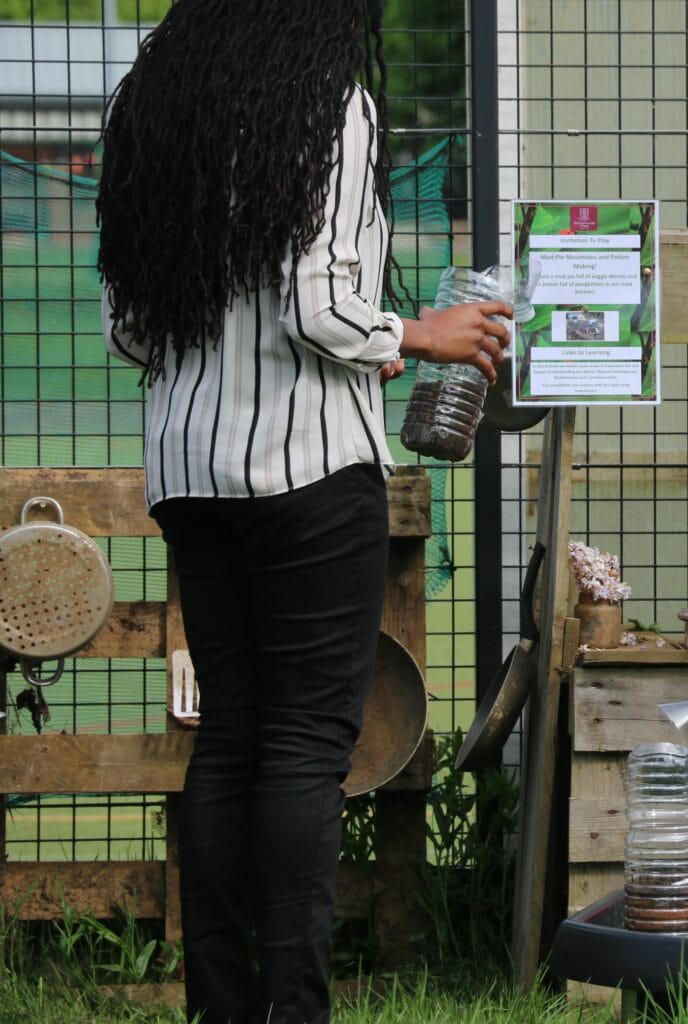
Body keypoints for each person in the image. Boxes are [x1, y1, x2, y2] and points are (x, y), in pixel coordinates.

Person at [95, 4, 512, 1023]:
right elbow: (316, 307)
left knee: (231, 736)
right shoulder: (330, 103)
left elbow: (128, 327)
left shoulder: (151, 102)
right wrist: (420, 334)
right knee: (304, 747)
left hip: (189, 468)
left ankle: (222, 1009)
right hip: (308, 468)